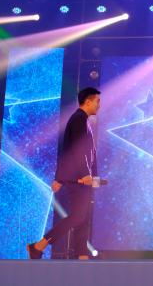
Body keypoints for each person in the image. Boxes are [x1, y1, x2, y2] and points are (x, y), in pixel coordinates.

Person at [27, 87, 101, 259]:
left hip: (82, 178)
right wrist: (85, 174)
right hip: (79, 178)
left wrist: (93, 176)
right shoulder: (78, 119)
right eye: (97, 101)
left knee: (83, 217)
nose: (99, 105)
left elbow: (83, 152)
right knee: (78, 216)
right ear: (88, 101)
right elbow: (77, 150)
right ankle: (39, 245)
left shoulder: (83, 121)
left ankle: (81, 255)